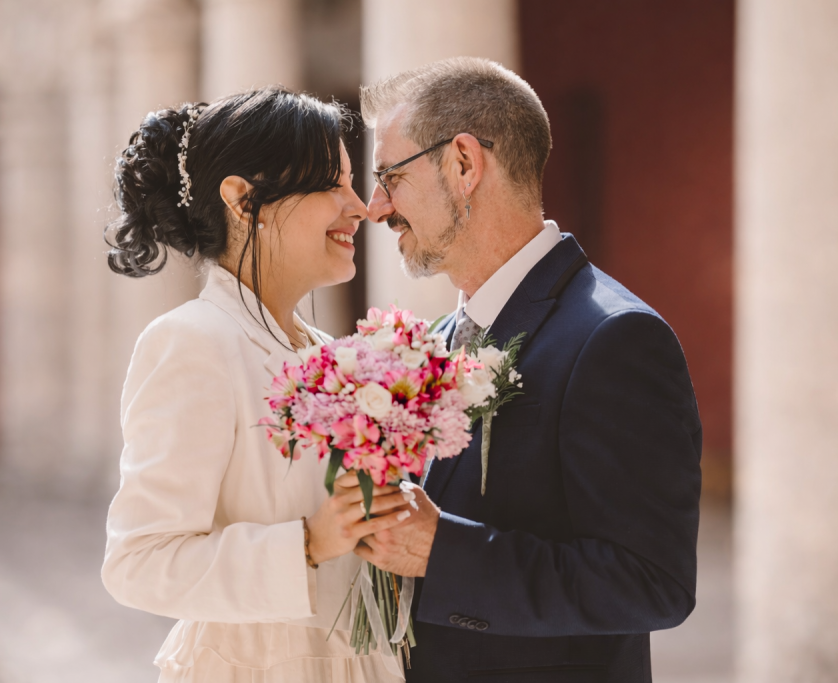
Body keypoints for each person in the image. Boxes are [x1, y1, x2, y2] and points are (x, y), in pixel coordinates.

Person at [354, 57, 703, 682]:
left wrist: (446, 552)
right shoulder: (432, 342)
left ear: (463, 164)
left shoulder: (615, 338)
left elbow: (654, 584)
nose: (376, 207)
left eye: (390, 176)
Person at [100, 86, 413, 683]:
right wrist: (305, 545)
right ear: (244, 200)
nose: (361, 207)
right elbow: (137, 561)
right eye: (331, 184)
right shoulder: (193, 343)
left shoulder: (330, 355)